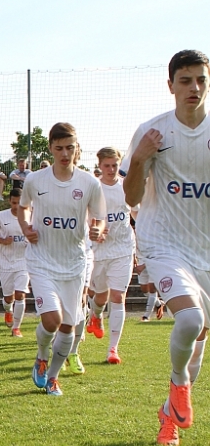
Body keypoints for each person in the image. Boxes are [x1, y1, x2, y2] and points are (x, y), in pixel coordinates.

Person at [121, 49, 210, 446]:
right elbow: (131, 196)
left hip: (205, 247)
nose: (194, 88)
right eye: (186, 80)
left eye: (201, 80)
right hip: (164, 243)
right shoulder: (152, 132)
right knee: (189, 320)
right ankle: (178, 386)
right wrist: (141, 159)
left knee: (200, 334)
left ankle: (169, 415)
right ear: (170, 85)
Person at [20, 122, 106, 398]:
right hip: (42, 261)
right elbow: (23, 208)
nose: (65, 154)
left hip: (74, 263)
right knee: (52, 321)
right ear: (51, 148)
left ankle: (53, 378)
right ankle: (41, 355)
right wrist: (25, 227)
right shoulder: (35, 180)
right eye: (59, 148)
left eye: (70, 147)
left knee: (69, 326)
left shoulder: (89, 183)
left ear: (77, 147)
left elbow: (99, 217)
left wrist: (97, 229)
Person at [85, 147, 135, 366]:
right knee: (100, 296)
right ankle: (95, 315)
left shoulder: (127, 187)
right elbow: (84, 216)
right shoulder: (93, 188)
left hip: (123, 249)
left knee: (118, 296)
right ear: (100, 166)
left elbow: (137, 212)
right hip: (99, 250)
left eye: (115, 165)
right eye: (107, 165)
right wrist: (94, 229)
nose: (111, 169)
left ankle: (113, 349)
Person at [0, 189, 29, 337]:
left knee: (20, 294)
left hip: (24, 261)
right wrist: (3, 241)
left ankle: (16, 328)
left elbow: (39, 234)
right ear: (10, 201)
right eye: (14, 203)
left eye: (19, 203)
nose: (16, 206)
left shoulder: (32, 216)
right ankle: (8, 309)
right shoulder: (0, 216)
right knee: (8, 298)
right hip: (5, 262)